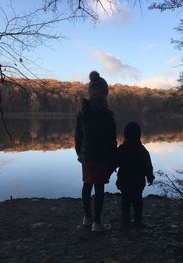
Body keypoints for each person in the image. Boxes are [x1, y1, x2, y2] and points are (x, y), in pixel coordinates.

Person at [75, 71, 117, 232]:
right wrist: (113, 158)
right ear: (105, 94)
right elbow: (112, 140)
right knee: (99, 188)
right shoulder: (108, 114)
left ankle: (87, 218)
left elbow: (78, 136)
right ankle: (97, 223)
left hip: (87, 155)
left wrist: (79, 152)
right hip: (102, 156)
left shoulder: (82, 112)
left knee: (87, 185)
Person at [115, 121, 154, 229]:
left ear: (125, 135)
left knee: (125, 204)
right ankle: (137, 222)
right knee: (138, 203)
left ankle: (125, 223)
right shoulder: (143, 151)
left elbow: (114, 163)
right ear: (139, 135)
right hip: (138, 182)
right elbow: (148, 166)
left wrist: (107, 173)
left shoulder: (121, 149)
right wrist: (150, 177)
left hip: (124, 182)